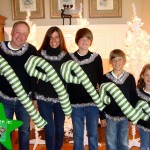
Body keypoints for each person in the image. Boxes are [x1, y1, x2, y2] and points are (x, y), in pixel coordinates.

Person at [0, 21, 37, 150]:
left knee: (25, 131)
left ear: (27, 36)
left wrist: (34, 98)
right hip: (4, 99)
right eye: (18, 32)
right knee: (4, 133)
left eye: (24, 34)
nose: (20, 36)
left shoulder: (31, 50)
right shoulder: (0, 49)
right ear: (12, 32)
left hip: (24, 100)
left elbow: (34, 76)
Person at [68, 28, 106, 150]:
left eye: (87, 39)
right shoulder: (69, 58)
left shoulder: (96, 58)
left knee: (93, 134)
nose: (84, 41)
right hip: (75, 103)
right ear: (77, 40)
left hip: (92, 103)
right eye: (82, 38)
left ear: (91, 41)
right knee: (78, 135)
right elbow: (66, 81)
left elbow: (101, 81)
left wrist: (102, 106)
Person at [35, 26, 71, 150]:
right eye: (51, 37)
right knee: (49, 129)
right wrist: (34, 97)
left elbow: (70, 79)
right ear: (47, 38)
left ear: (61, 39)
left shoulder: (67, 57)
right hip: (43, 98)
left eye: (56, 37)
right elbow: (34, 77)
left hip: (60, 100)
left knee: (59, 129)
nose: (53, 40)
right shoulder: (39, 55)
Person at [102, 49, 137, 150]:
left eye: (119, 59)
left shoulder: (130, 78)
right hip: (110, 116)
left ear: (124, 61)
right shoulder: (105, 78)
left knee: (123, 143)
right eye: (114, 60)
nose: (117, 62)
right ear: (110, 62)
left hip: (125, 117)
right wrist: (102, 116)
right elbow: (101, 99)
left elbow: (133, 98)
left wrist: (131, 117)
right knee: (110, 143)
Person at [136, 64, 150, 150]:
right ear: (142, 76)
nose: (149, 78)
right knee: (144, 145)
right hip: (143, 124)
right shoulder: (138, 92)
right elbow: (136, 108)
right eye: (147, 75)